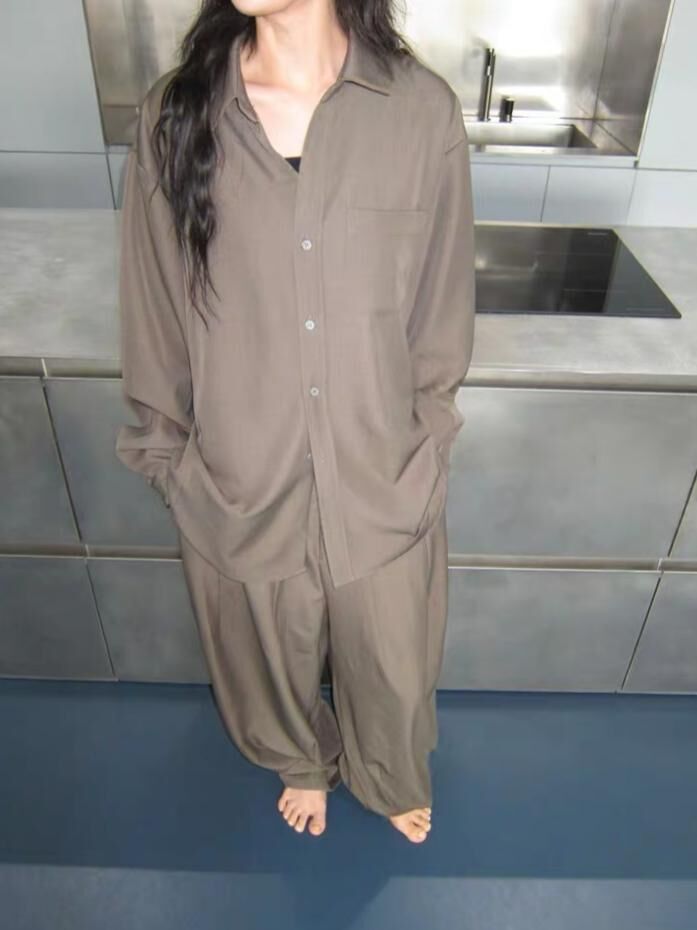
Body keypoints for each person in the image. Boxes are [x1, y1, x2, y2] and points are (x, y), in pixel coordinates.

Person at [115, 0, 475, 844]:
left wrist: (426, 438)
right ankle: (299, 759)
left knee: (393, 650)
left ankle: (388, 770)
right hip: (243, 462)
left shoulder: (418, 111)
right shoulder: (177, 114)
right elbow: (154, 302)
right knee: (263, 649)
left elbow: (441, 298)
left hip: (378, 460)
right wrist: (170, 456)